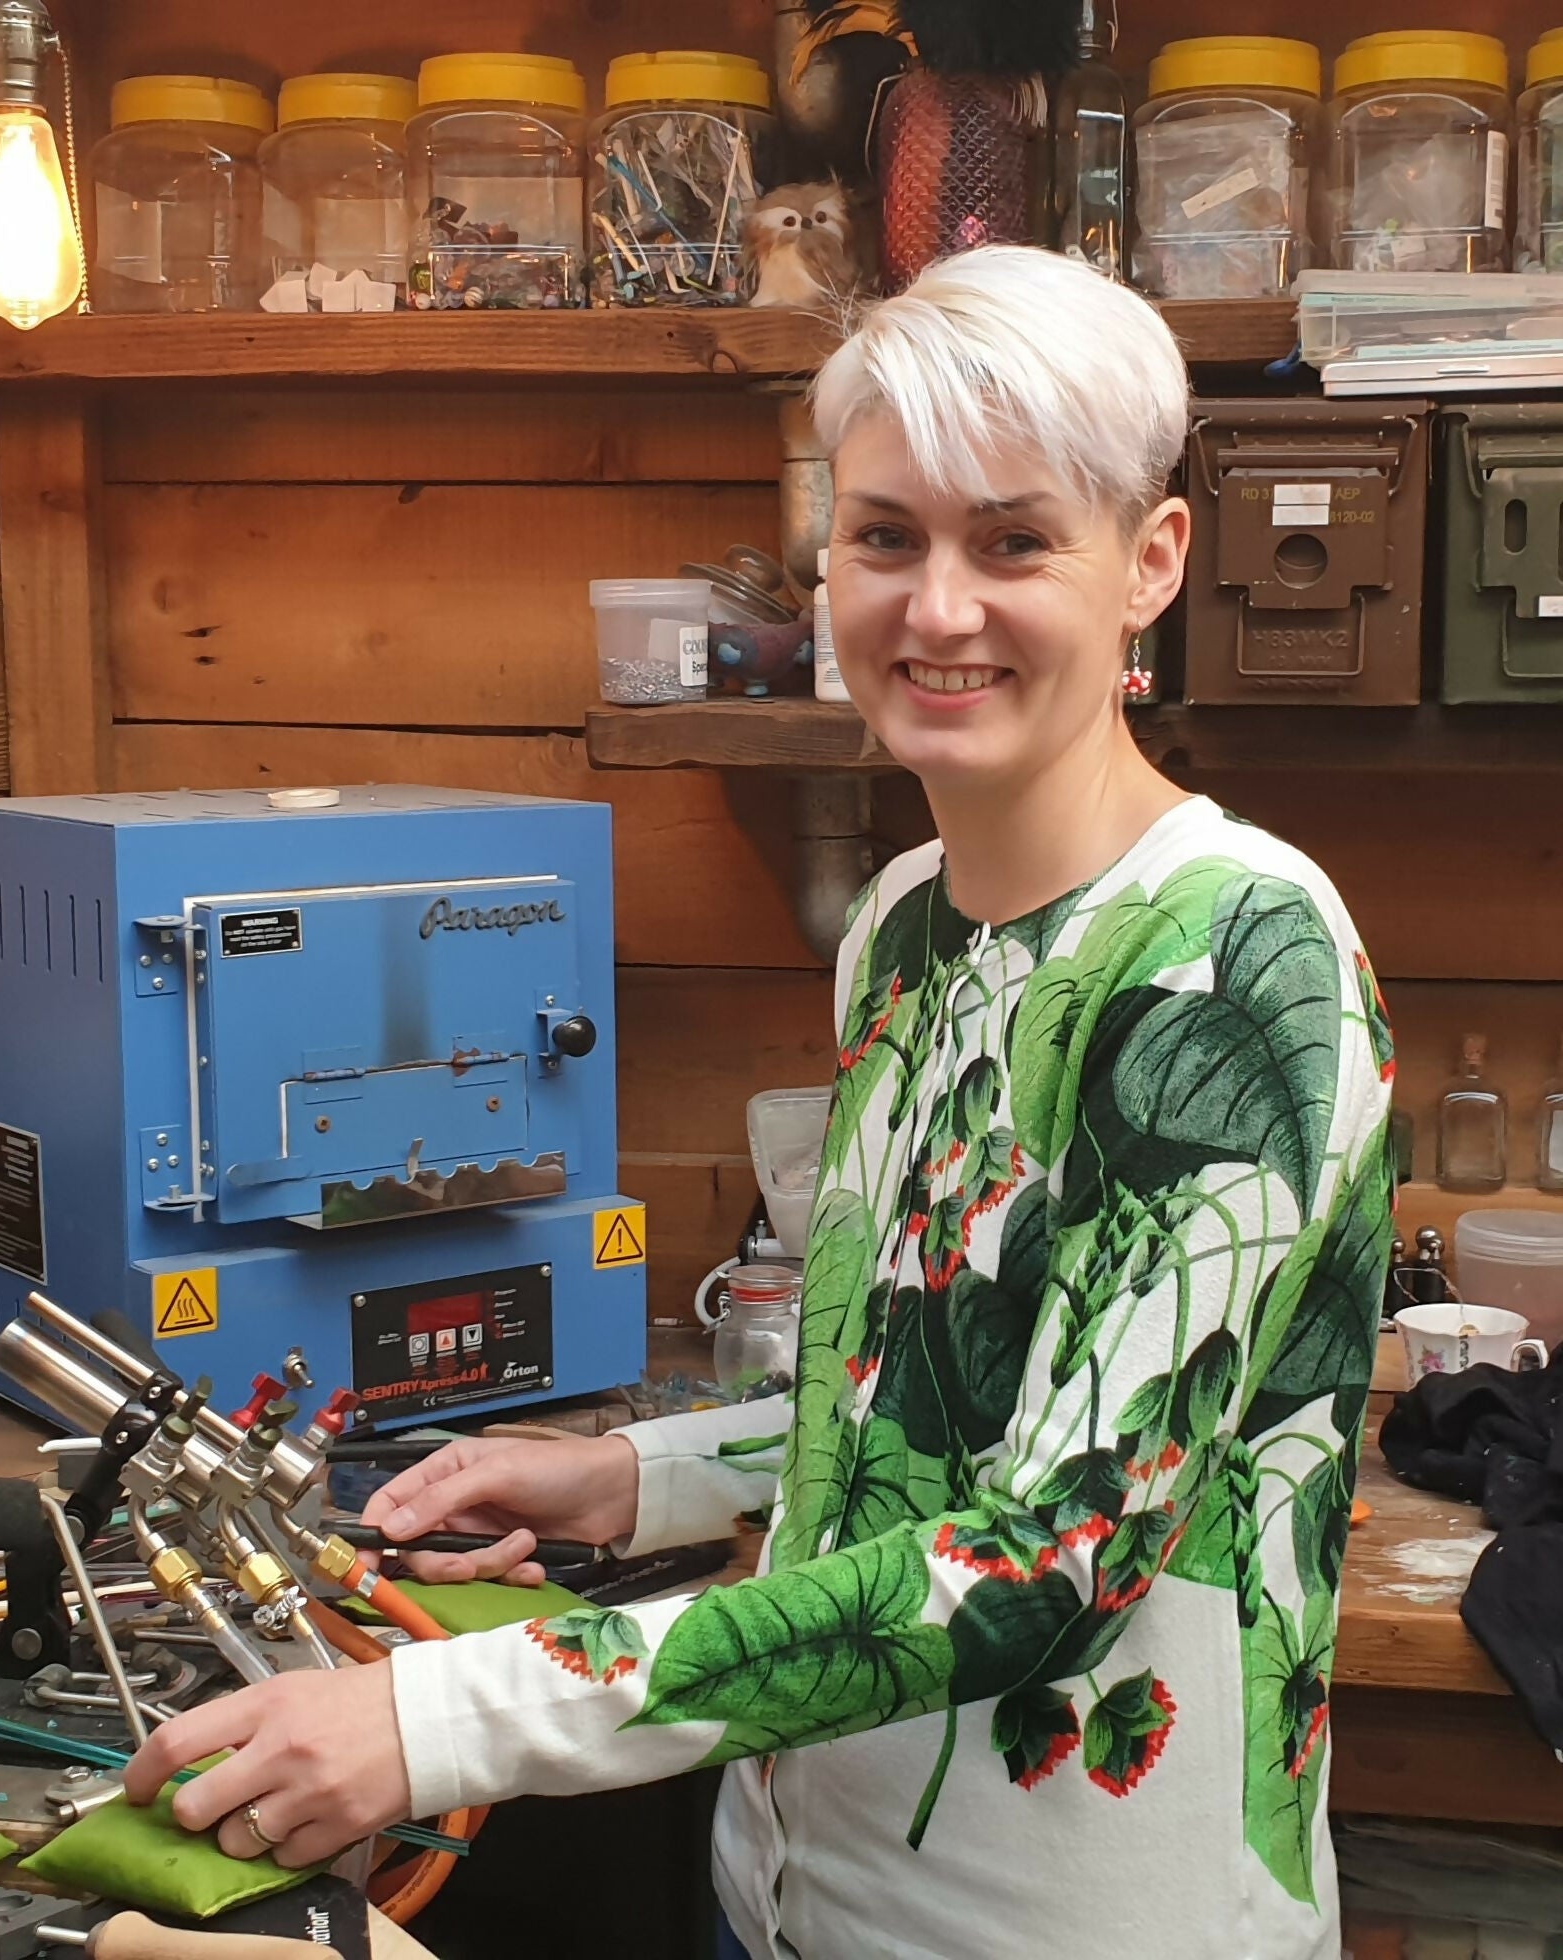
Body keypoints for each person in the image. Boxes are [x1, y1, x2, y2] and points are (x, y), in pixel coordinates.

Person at [125, 246, 1395, 1960]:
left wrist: (437, 1720)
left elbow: (1053, 1552)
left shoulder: (1239, 954)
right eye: (885, 537)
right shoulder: (904, 925)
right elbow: (905, 1389)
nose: (936, 607)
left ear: (1150, 560)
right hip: (791, 1886)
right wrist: (630, 1483)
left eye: (1013, 540)